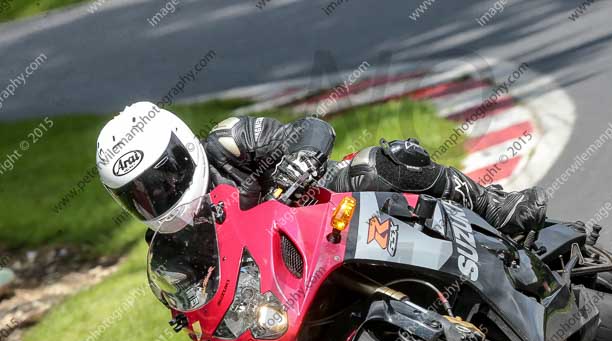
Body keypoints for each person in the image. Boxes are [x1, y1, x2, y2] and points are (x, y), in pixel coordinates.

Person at [96, 102, 547, 236]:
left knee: (383, 164)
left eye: (161, 178)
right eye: (140, 194)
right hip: (288, 275)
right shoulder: (171, 244)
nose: (158, 196)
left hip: (327, 209)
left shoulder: (229, 142)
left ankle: (493, 207)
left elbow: (311, 127)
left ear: (184, 150)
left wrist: (301, 160)